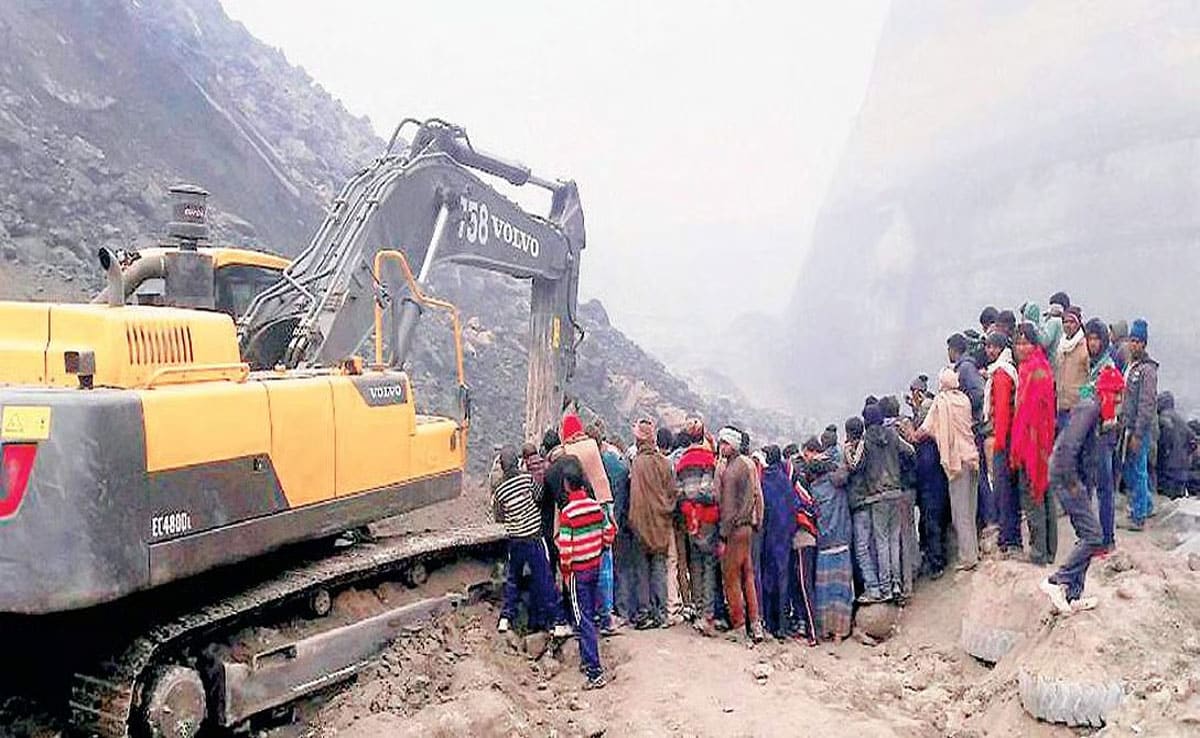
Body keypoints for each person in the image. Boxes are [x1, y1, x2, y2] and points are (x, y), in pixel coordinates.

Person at [1041, 366, 1124, 614]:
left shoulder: (1100, 414)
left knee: (1085, 535)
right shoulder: (1088, 409)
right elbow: (1068, 447)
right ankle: (1056, 581)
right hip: (1067, 477)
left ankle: (1073, 595)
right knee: (1094, 536)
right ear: (1106, 392)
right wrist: (1073, 483)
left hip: (1077, 479)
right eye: (1117, 394)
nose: (1119, 401)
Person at [557, 458, 616, 689]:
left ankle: (594, 671)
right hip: (595, 566)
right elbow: (609, 532)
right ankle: (586, 660)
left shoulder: (568, 513)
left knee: (583, 619)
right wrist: (599, 548)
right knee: (591, 612)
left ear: (566, 485)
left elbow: (565, 550)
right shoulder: (595, 507)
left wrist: (565, 573)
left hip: (577, 573)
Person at [914, 367, 981, 570]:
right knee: (970, 509)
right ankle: (973, 552)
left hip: (956, 461)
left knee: (960, 512)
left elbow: (925, 429)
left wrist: (911, 434)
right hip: (972, 456)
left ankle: (967, 558)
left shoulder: (941, 402)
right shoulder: (964, 400)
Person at [847, 403, 915, 601]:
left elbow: (855, 465)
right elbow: (910, 450)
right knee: (894, 540)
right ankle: (897, 584)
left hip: (877, 496)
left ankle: (885, 588)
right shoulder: (892, 435)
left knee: (882, 542)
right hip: (896, 492)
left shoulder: (866, 440)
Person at [492, 447, 558, 633]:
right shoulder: (526, 479)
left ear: (502, 467)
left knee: (513, 578)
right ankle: (555, 621)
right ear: (517, 462)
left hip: (515, 539)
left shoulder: (499, 490)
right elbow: (538, 496)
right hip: (534, 536)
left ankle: (506, 617)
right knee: (544, 577)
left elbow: (499, 516)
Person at [560, 414, 616, 629]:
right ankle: (607, 612)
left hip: (584, 503)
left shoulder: (568, 451)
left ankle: (591, 615)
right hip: (604, 502)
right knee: (605, 559)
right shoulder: (592, 444)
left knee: (586, 559)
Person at [1011, 322, 1058, 565]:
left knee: (1033, 495)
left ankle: (1039, 552)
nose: (1021, 348)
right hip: (1042, 441)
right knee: (1044, 494)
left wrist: (1022, 446)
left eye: (1025, 343)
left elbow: (1029, 413)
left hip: (1034, 442)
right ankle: (1049, 550)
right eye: (1018, 343)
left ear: (1034, 344)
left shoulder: (1033, 370)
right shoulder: (1039, 366)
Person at [715, 426, 764, 643]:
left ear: (733, 445)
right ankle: (756, 623)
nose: (721, 447)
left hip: (734, 530)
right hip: (748, 528)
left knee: (732, 577)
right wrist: (758, 522)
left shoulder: (731, 471)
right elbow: (757, 496)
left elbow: (727, 509)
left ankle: (739, 625)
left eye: (725, 443)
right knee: (749, 576)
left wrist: (723, 536)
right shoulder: (749, 464)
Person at [803, 437, 853, 642]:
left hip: (824, 545)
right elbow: (845, 470)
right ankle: (841, 632)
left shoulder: (813, 491)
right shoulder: (838, 485)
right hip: (842, 541)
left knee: (824, 591)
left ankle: (825, 630)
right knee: (842, 590)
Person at [628, 419, 677, 629]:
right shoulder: (664, 463)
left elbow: (635, 497)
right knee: (659, 568)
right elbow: (672, 492)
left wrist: (634, 520)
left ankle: (644, 612)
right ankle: (662, 614)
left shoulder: (638, 463)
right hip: (661, 523)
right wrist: (665, 511)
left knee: (642, 570)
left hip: (641, 523)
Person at [676, 416, 721, 635]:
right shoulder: (708, 459)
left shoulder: (682, 462)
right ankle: (708, 615)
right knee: (709, 565)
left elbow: (679, 492)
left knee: (695, 565)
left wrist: (688, 505)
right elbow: (707, 491)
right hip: (707, 519)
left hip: (689, 520)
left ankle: (699, 608)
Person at [1079, 318, 1118, 551]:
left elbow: (1106, 401)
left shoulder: (1107, 367)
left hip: (1103, 432)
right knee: (1088, 485)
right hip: (1090, 431)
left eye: (1097, 339)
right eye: (1090, 339)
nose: (1093, 343)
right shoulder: (1091, 365)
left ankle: (1107, 539)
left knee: (1104, 487)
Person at [983, 331, 1021, 557]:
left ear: (1000, 349)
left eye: (993, 347)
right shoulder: (1007, 370)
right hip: (1008, 435)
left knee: (1003, 488)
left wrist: (998, 439)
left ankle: (1008, 537)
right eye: (987, 346)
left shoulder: (1001, 374)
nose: (989, 351)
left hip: (1004, 437)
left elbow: (1003, 410)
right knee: (1009, 488)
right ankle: (1011, 536)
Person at [909, 377, 950, 578]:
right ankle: (939, 557)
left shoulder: (927, 417)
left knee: (932, 521)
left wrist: (909, 429)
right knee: (936, 519)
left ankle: (937, 563)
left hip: (930, 479)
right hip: (937, 477)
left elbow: (916, 435)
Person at [1120, 319, 1159, 530]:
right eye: (1131, 340)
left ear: (1144, 344)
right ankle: (1147, 504)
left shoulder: (1147, 370)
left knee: (1138, 469)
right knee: (1129, 467)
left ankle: (1139, 516)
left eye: (1137, 342)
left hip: (1139, 429)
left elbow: (1147, 403)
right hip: (1127, 425)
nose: (1133, 345)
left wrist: (1138, 433)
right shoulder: (1131, 365)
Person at [759, 445, 798, 639]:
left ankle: (769, 622)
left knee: (768, 580)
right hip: (785, 538)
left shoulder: (764, 480)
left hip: (769, 538)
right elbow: (793, 507)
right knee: (784, 580)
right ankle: (783, 625)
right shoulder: (785, 481)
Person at [655, 426, 689, 624]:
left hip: (662, 518)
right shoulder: (672, 463)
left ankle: (668, 604)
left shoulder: (661, 462)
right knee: (677, 561)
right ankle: (679, 604)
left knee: (667, 561)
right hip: (680, 517)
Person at [1055, 306, 1089, 433]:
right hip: (1061, 405)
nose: (1068, 325)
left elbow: (1090, 377)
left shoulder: (1084, 347)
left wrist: (1083, 398)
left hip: (1077, 408)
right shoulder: (1061, 346)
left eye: (1071, 322)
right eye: (1065, 322)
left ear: (1078, 323)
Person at [1156, 392, 1191, 499]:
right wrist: (1186, 454)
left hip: (1167, 469)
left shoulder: (1162, 419)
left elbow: (1162, 443)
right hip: (1182, 470)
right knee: (1179, 499)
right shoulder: (1182, 420)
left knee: (1167, 499)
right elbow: (1193, 441)